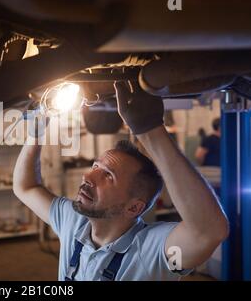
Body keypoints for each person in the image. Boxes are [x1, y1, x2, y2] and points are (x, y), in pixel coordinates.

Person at [13, 81, 229, 281]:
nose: (87, 176)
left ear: (134, 207)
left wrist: (150, 130)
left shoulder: (152, 251)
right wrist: (36, 133)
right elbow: (26, 187)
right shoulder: (74, 221)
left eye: (108, 175)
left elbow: (208, 232)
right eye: (95, 167)